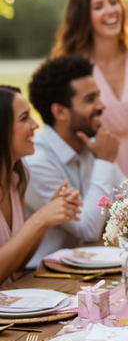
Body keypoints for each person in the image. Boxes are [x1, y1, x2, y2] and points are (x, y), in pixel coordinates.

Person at [24, 55, 128, 267]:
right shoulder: (35, 162)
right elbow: (87, 229)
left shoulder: (91, 143)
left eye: (99, 97)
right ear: (59, 112)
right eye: (90, 99)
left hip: (88, 269)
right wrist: (104, 161)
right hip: (40, 277)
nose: (102, 106)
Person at [53, 0, 128, 184]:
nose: (110, 10)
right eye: (98, 6)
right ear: (84, 17)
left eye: (113, 2)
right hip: (90, 165)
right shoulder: (71, 64)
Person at [0, 85, 81, 287]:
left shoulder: (15, 181)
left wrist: (47, 220)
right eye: (24, 117)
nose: (35, 124)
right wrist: (39, 219)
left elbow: (15, 265)